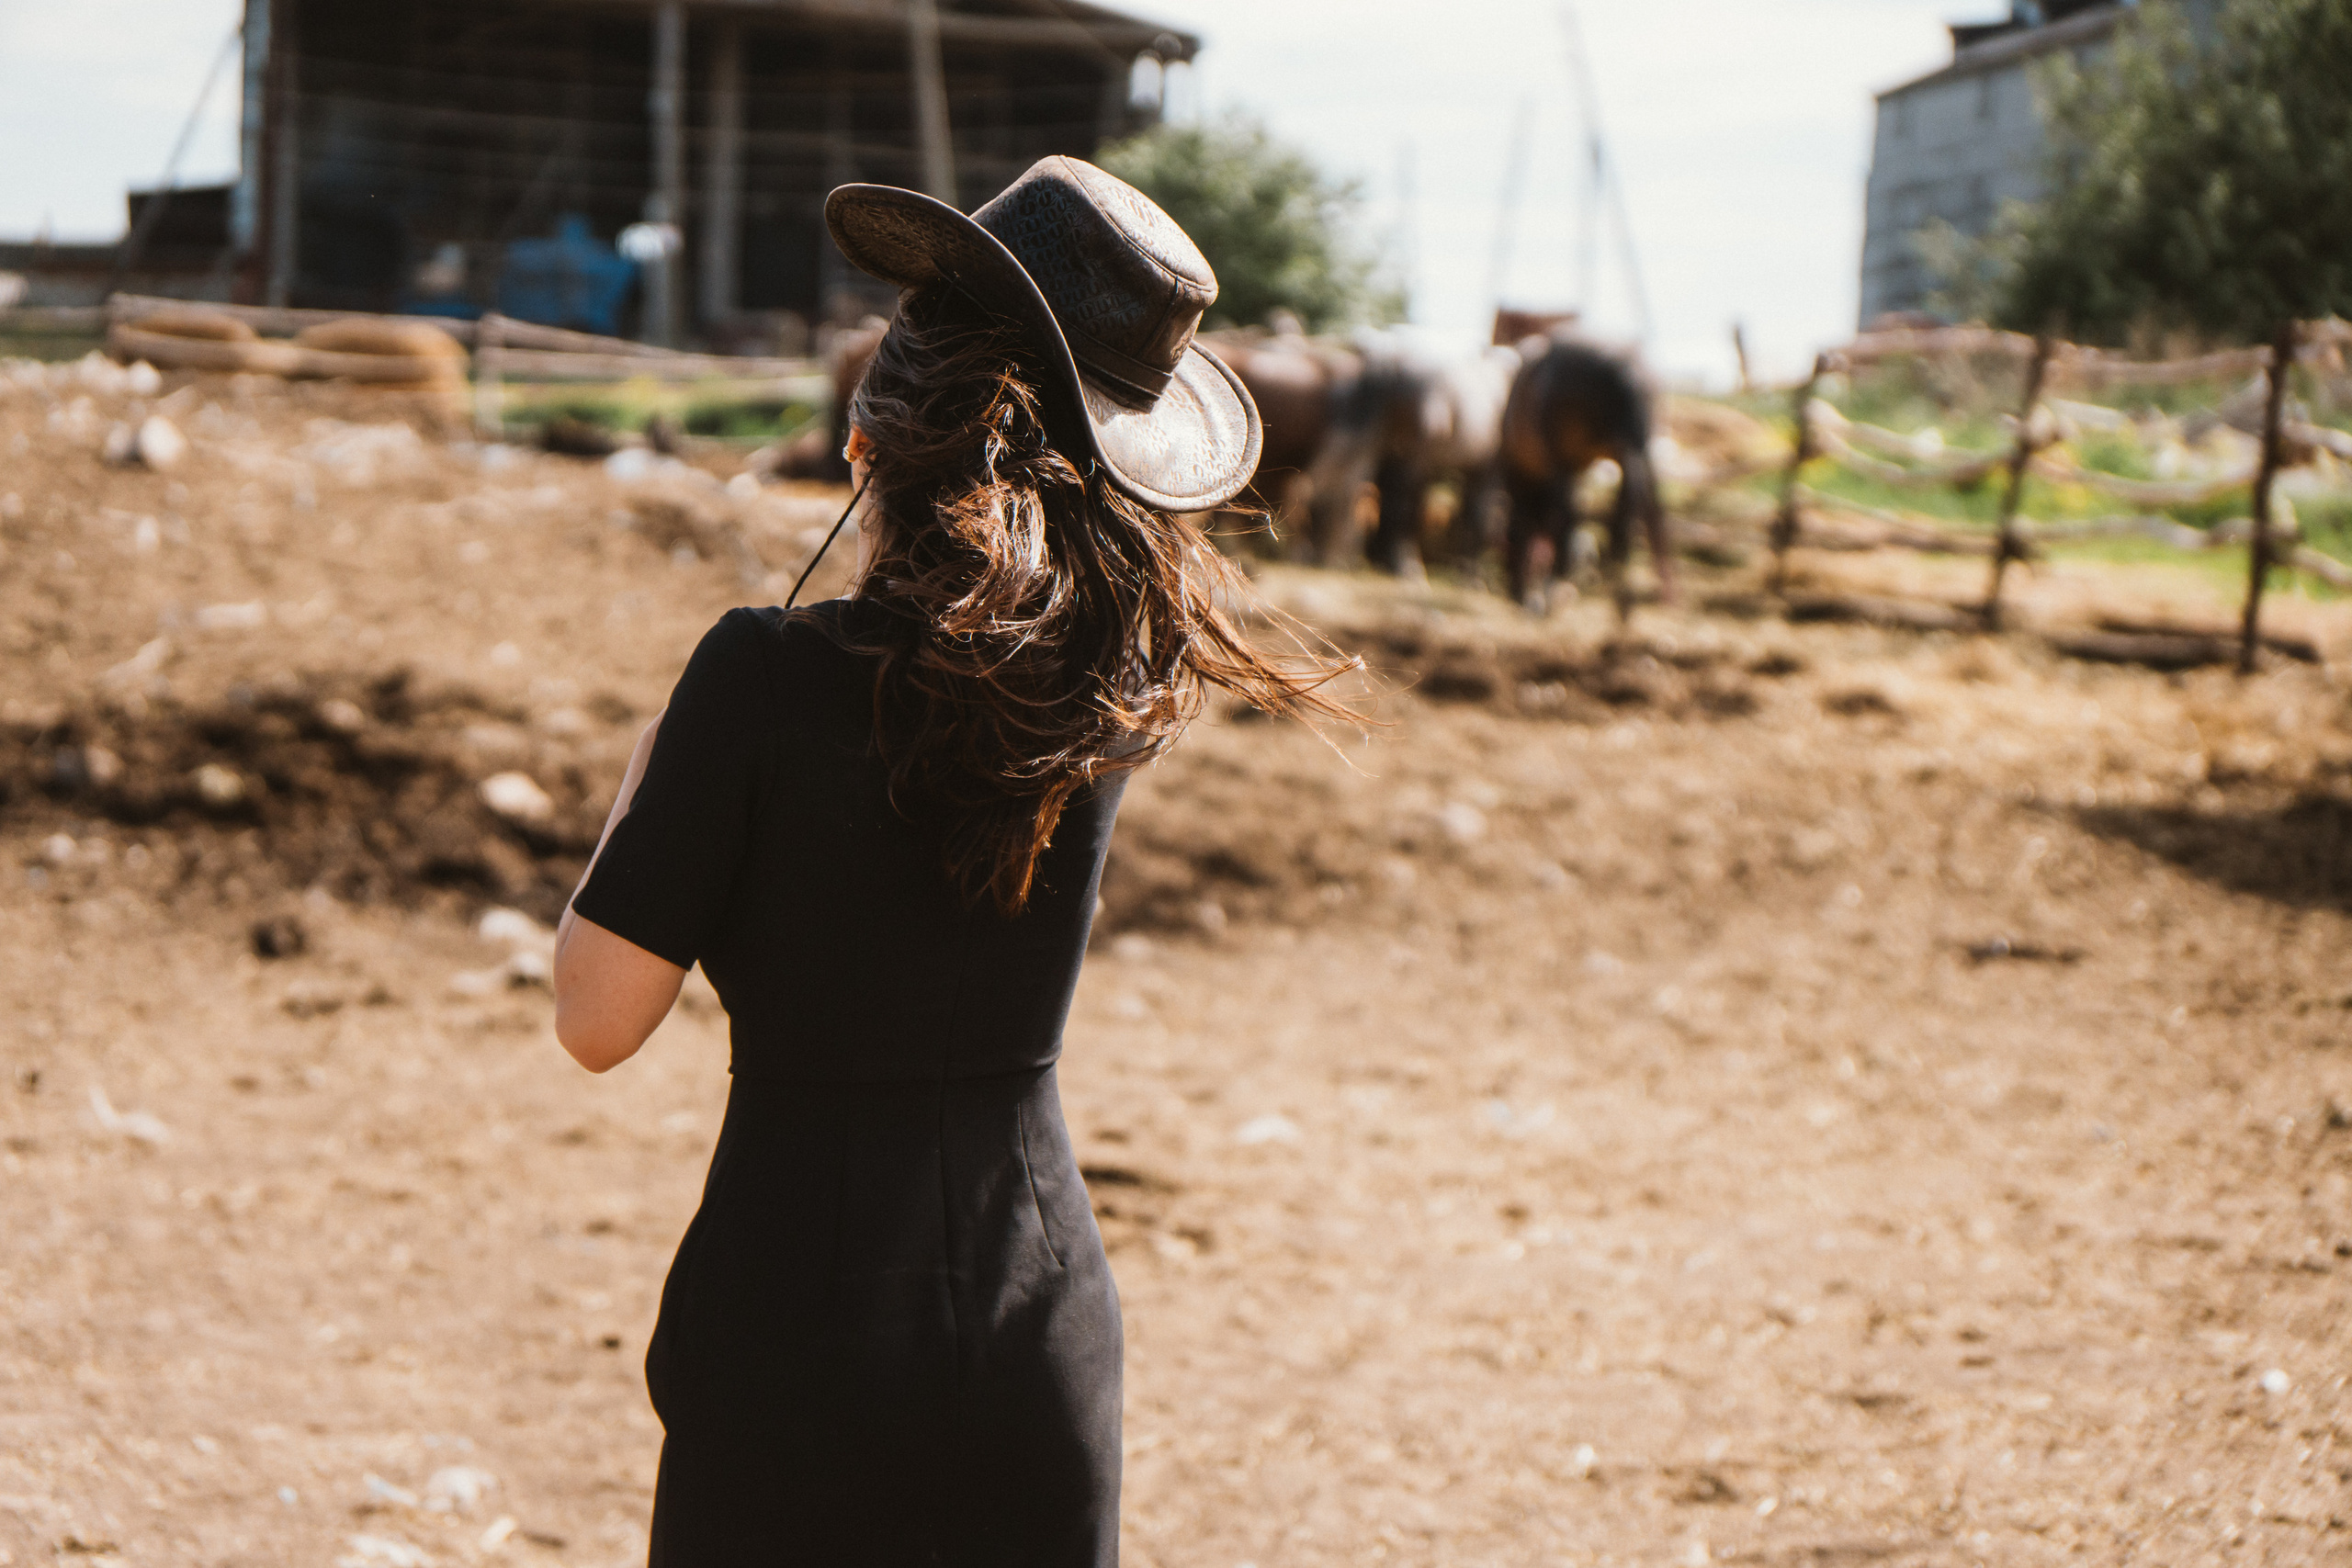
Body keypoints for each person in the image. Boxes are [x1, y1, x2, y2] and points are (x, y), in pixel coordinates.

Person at [549, 156, 1358, 1566]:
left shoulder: (756, 677)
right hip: (1033, 1316)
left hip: (790, 1315)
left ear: (872, 436)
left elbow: (597, 1022)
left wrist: (648, 779)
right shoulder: (1109, 690)